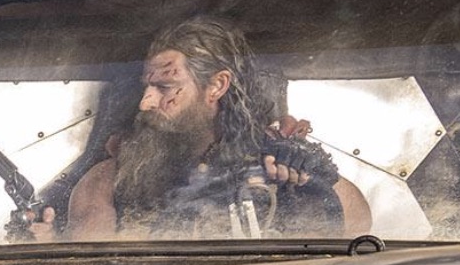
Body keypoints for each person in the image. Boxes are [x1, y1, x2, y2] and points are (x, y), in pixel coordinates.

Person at [35, 17, 371, 242]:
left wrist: (313, 180)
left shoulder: (276, 163)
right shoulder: (110, 180)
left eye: (166, 87)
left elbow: (358, 233)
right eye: (147, 88)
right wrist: (42, 245)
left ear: (216, 85)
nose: (146, 103)